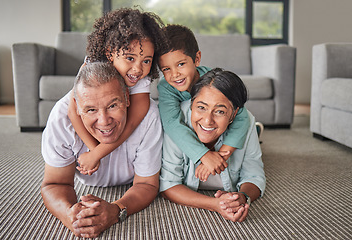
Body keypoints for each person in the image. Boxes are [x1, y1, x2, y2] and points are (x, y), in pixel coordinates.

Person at [41, 62, 163, 238]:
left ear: (127, 98)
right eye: (91, 110)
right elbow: (55, 183)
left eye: (113, 106)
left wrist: (115, 211)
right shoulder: (61, 119)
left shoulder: (148, 115)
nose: (104, 121)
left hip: (130, 184)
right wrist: (70, 216)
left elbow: (147, 184)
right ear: (76, 107)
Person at [67, 8, 167, 175]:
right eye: (130, 58)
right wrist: (94, 150)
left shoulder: (141, 78)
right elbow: (72, 111)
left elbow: (132, 123)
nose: (137, 69)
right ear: (110, 53)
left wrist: (98, 154)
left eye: (146, 61)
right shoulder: (92, 66)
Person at [160, 68, 266, 222]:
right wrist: (215, 204)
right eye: (201, 107)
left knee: (251, 141)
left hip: (241, 128)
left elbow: (254, 175)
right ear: (191, 104)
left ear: (234, 113)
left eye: (220, 112)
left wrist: (242, 198)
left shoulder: (244, 121)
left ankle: (255, 133)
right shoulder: (177, 124)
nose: (207, 120)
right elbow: (168, 184)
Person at [157, 24, 250, 182]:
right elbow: (172, 123)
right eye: (166, 69)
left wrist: (222, 154)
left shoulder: (212, 80)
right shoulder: (166, 87)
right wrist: (203, 155)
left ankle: (253, 131)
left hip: (215, 129)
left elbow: (241, 113)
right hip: (198, 130)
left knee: (242, 121)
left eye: (180, 64)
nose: (175, 74)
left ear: (197, 59)